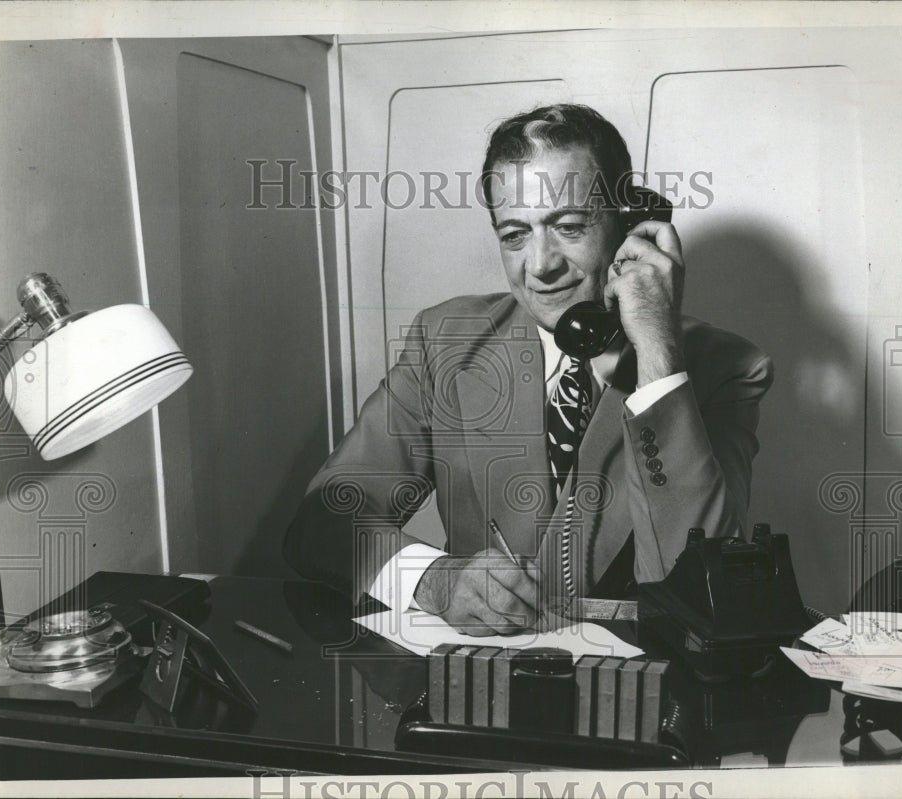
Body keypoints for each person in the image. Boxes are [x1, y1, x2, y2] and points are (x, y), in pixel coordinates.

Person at [284, 104, 772, 636]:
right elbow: (321, 523)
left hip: (637, 696)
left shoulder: (724, 368)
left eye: (568, 226)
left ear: (629, 224)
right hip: (479, 686)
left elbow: (702, 588)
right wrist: (434, 579)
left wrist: (656, 350)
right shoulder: (445, 343)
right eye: (515, 234)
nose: (539, 265)